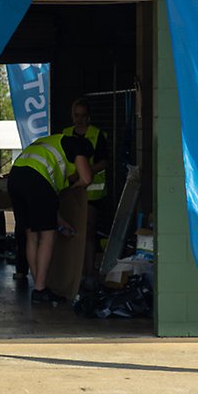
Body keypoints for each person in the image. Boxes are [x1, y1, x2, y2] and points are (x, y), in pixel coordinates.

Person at [8, 133, 93, 306]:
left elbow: (49, 208)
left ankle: (38, 285)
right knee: (48, 235)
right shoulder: (76, 147)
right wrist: (72, 190)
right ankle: (40, 290)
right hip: (36, 180)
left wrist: (62, 223)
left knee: (32, 234)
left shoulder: (52, 142)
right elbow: (86, 178)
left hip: (15, 176)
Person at [63, 96, 109, 280]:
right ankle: (73, 274)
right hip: (71, 191)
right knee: (72, 234)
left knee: (88, 234)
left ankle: (89, 274)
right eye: (76, 115)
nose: (79, 119)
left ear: (88, 116)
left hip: (92, 194)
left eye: (82, 115)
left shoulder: (97, 135)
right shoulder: (65, 133)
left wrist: (83, 173)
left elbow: (104, 162)